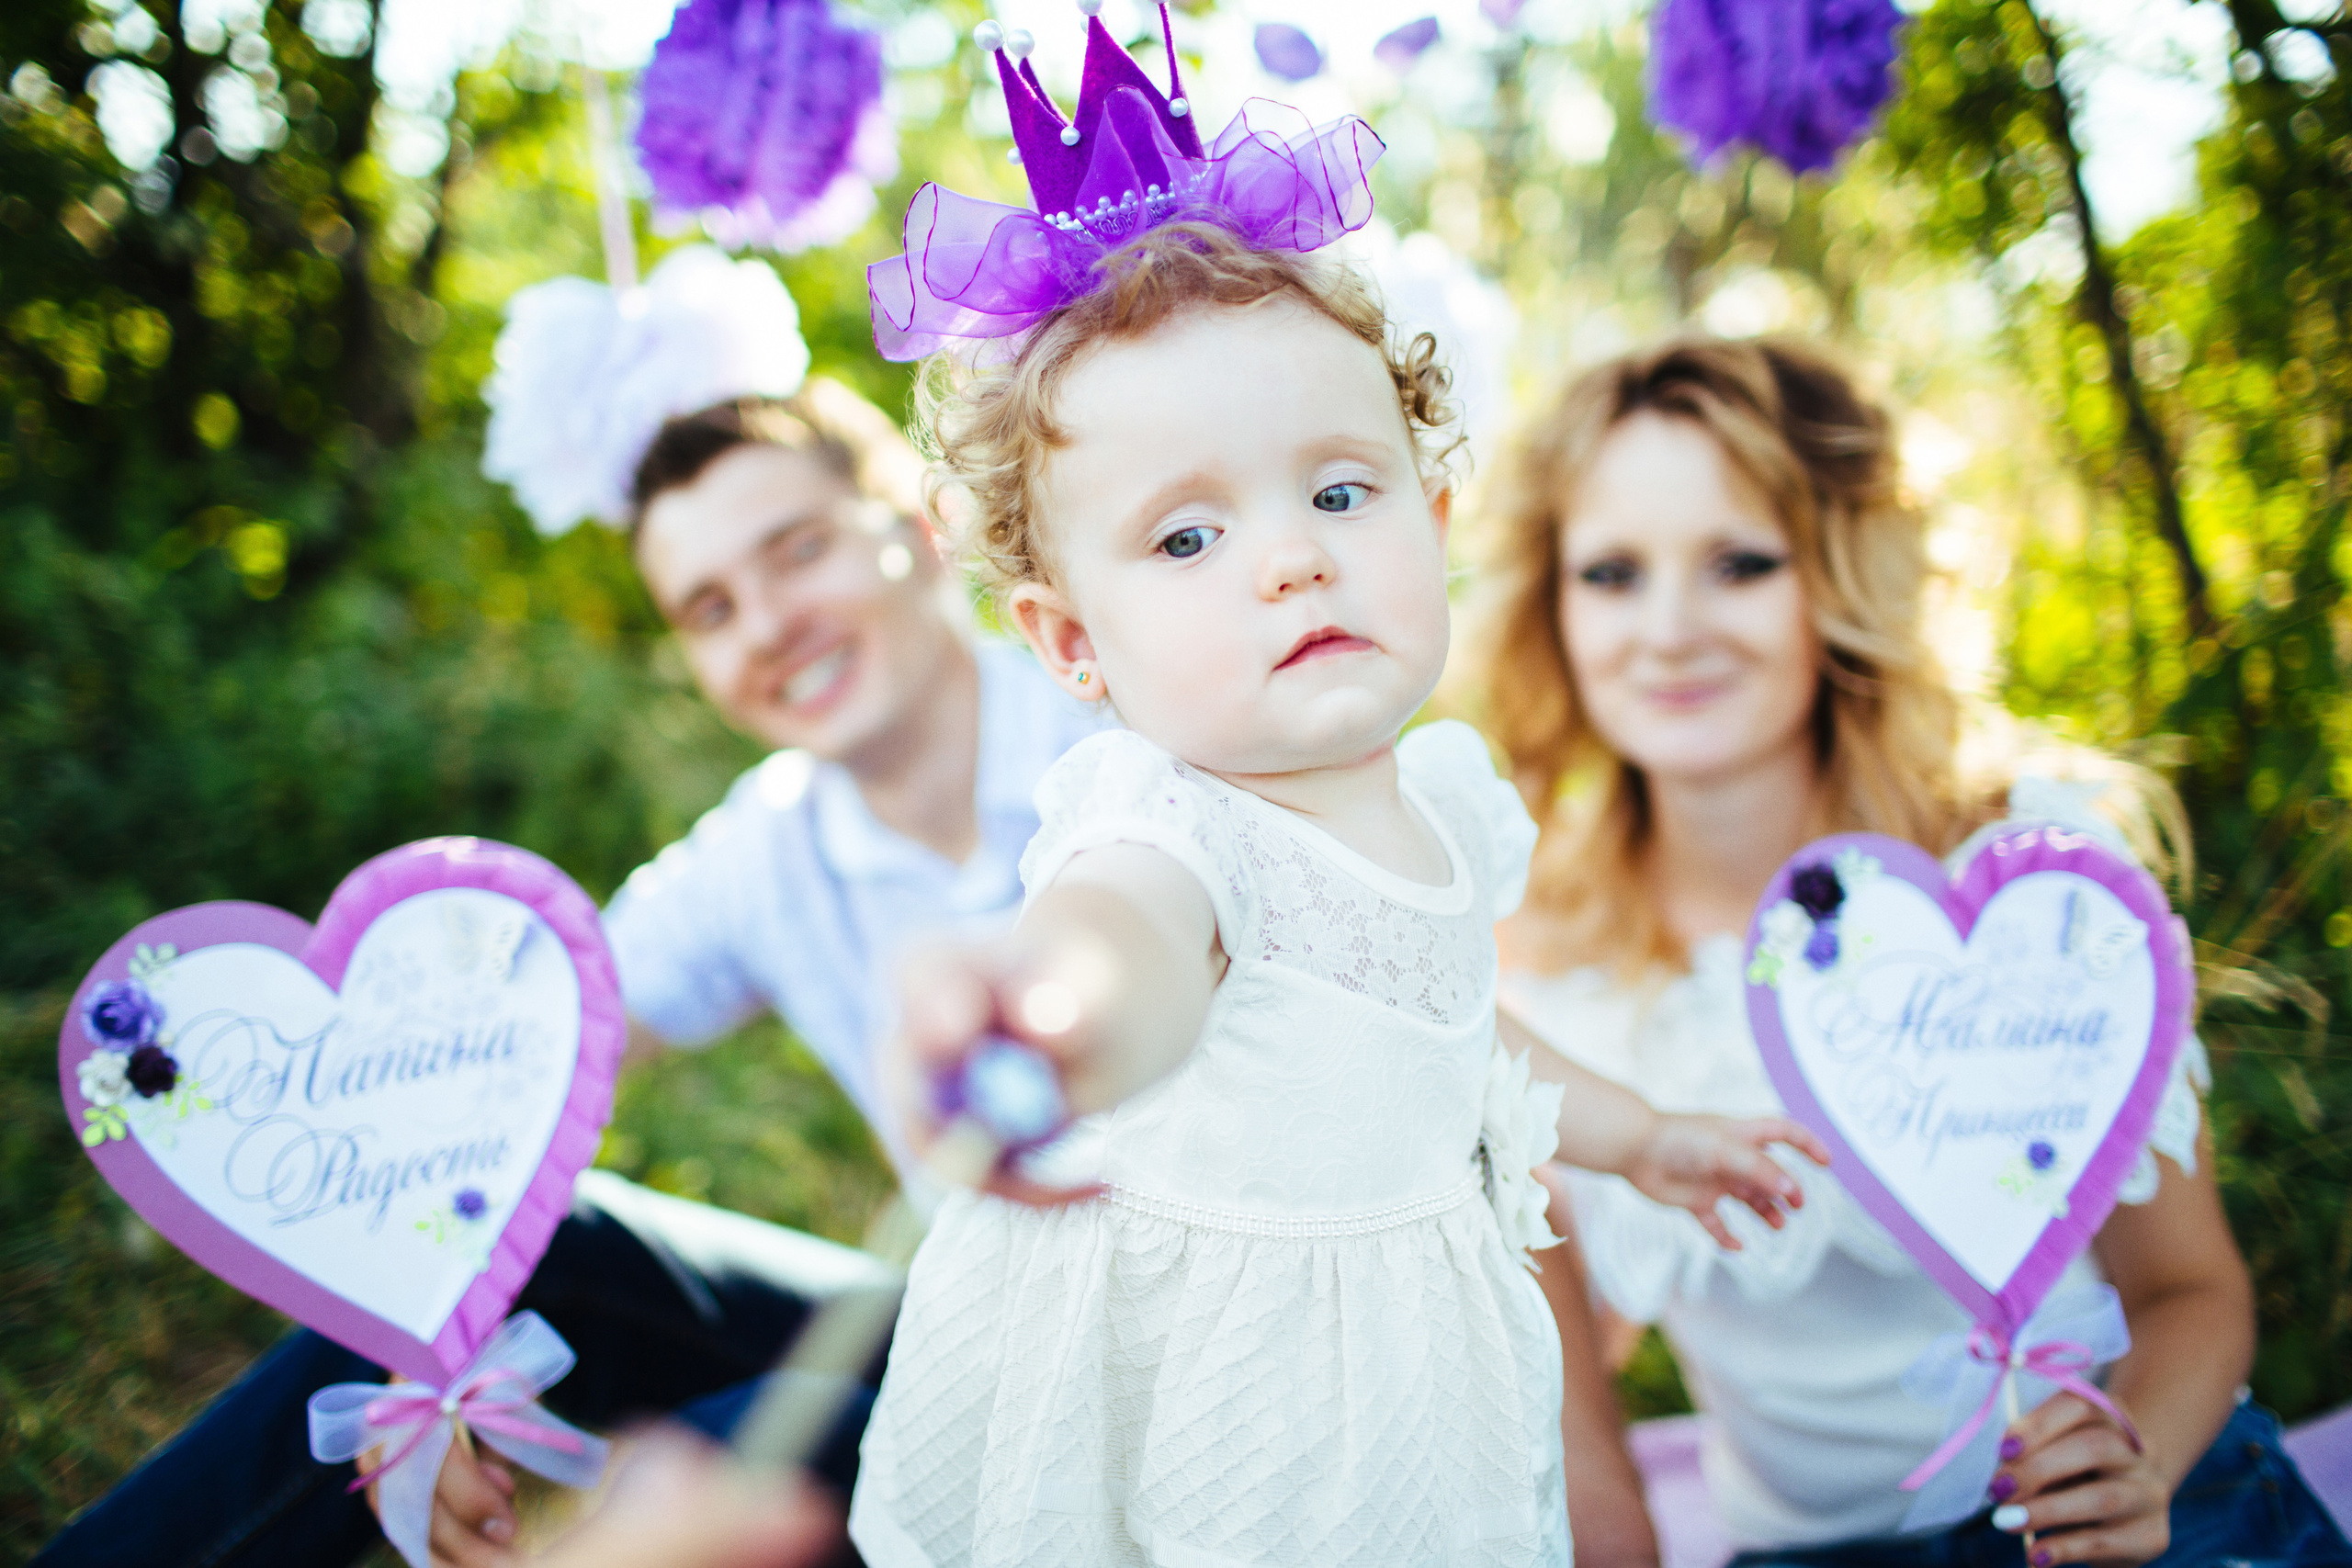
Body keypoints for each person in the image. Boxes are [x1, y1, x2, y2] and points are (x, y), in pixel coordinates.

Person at [840, 23, 1829, 1552]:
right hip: (1229, 1417)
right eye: (1186, 538)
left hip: (1416, 1397)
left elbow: (1448, 1030)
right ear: (1070, 641)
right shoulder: (1163, 829)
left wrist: (1644, 1139)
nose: (1290, 554)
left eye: (1339, 490)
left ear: (1433, 513)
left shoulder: (1436, 800)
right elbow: (1132, 952)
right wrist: (1048, 1009)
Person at [35, 347, 1100, 1565]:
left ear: (922, 523)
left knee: (744, 1440)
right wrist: (419, 1334)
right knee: (524, 1252)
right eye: (708, 608)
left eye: (798, 549)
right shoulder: (767, 845)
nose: (766, 625)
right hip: (971, 1320)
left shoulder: (1120, 718)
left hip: (1205, 1339)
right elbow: (517, 1068)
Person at [1470, 334, 2352, 1565]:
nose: (1666, 629)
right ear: (1552, 605)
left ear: (1836, 576)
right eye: (1611, 573)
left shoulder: (2033, 886)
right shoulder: (1515, 975)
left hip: (2145, 1518)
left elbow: (2190, 1290)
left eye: (1739, 563)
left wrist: (2135, 1458)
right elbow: (1585, 1457)